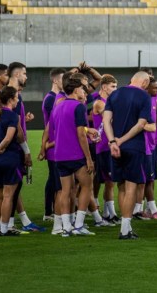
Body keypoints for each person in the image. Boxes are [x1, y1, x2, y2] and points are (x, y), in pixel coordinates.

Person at [103, 71, 153, 240]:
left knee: (121, 186)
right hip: (133, 146)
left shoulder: (115, 94)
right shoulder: (145, 97)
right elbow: (141, 125)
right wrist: (121, 141)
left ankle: (126, 227)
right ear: (145, 83)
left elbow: (106, 120)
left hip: (114, 148)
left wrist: (112, 142)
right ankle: (125, 229)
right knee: (131, 187)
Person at [43, 77, 96, 237]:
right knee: (87, 186)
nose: (84, 91)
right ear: (75, 90)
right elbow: (80, 133)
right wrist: (88, 157)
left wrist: (43, 146)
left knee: (65, 191)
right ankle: (78, 224)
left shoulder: (57, 106)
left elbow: (50, 129)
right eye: (82, 88)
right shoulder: (79, 107)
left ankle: (66, 226)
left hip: (59, 155)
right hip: (76, 154)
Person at [4, 62, 43, 233]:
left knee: (13, 186)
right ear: (17, 74)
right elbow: (15, 127)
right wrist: (26, 150)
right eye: (25, 74)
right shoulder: (13, 97)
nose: (26, 77)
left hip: (9, 146)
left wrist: (23, 121)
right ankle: (9, 225)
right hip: (14, 148)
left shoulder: (11, 95)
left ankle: (16, 222)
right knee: (10, 188)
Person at [0, 86, 24, 236]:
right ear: (10, 99)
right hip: (10, 158)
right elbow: (9, 138)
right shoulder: (13, 116)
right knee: (8, 195)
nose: (17, 100)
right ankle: (5, 228)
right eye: (16, 98)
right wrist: (1, 148)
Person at [135, 77, 157, 220]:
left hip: (152, 144)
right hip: (143, 146)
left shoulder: (154, 99)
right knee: (144, 179)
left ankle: (148, 209)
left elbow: (156, 119)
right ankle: (141, 210)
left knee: (150, 178)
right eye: (154, 88)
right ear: (146, 88)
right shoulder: (141, 101)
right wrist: (149, 127)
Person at [41, 67, 69, 221]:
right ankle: (50, 213)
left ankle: (50, 212)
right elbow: (51, 124)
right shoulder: (52, 98)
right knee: (55, 180)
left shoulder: (57, 96)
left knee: (54, 179)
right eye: (63, 78)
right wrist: (45, 145)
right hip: (54, 144)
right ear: (55, 80)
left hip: (56, 143)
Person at [90, 75, 119, 225]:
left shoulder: (108, 102)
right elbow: (112, 119)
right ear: (104, 87)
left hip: (109, 145)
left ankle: (108, 212)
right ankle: (109, 213)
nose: (115, 89)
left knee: (109, 181)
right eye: (112, 87)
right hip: (103, 147)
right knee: (108, 181)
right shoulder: (100, 104)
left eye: (116, 86)